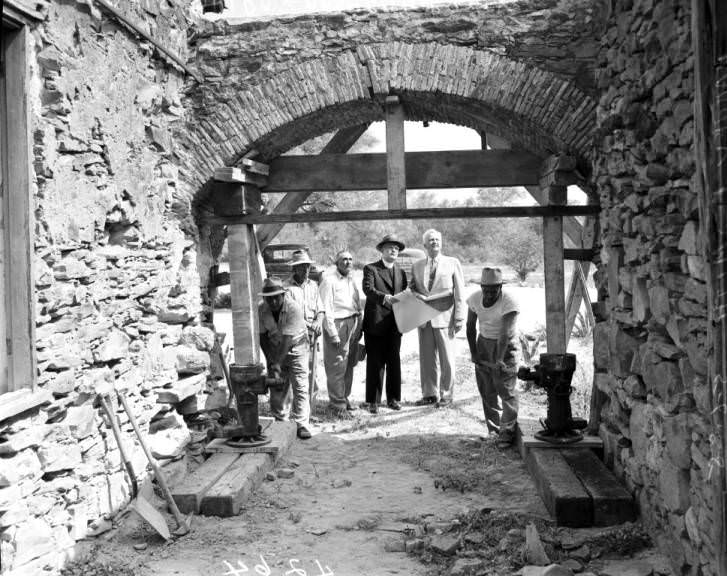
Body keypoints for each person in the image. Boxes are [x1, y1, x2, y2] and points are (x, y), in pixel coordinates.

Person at [409, 228, 466, 407]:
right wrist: (415, 297)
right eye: (431, 240)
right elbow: (412, 289)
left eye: (437, 240)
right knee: (426, 360)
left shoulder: (452, 262)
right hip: (424, 319)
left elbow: (460, 292)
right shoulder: (417, 265)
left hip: (445, 318)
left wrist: (459, 317)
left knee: (447, 359)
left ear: (441, 243)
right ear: (424, 245)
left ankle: (447, 396)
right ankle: (429, 394)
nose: (434, 242)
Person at [466, 267, 520, 447]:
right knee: (487, 389)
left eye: (493, 290)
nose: (489, 294)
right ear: (481, 287)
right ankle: (494, 430)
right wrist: (474, 353)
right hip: (484, 343)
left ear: (500, 287)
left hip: (505, 346)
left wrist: (499, 360)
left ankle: (507, 432)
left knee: (506, 389)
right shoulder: (474, 299)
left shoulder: (509, 302)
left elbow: (505, 334)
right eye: (486, 289)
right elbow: (470, 326)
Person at [258, 277, 312, 440]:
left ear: (283, 295)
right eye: (269, 298)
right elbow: (262, 337)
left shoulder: (293, 308)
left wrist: (277, 364)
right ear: (264, 298)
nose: (273, 301)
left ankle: (301, 424)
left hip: (297, 347)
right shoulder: (261, 310)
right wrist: (271, 361)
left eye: (277, 297)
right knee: (278, 387)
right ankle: (281, 422)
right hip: (275, 347)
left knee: (300, 385)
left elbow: (288, 340)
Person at [362, 234, 408, 414]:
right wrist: (383, 298)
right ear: (381, 250)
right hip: (375, 323)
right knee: (375, 362)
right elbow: (368, 289)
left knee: (394, 362)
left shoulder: (401, 272)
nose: (393, 250)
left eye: (396, 248)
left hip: (395, 324)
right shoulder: (370, 269)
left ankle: (393, 399)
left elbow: (405, 295)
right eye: (389, 247)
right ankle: (373, 401)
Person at [318, 250, 363, 417]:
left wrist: (359, 324)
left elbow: (357, 304)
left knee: (349, 364)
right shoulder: (329, 281)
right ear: (337, 263)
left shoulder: (352, 279)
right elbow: (325, 309)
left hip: (352, 323)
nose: (348, 262)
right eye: (344, 259)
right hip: (337, 324)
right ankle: (337, 406)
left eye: (350, 259)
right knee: (337, 366)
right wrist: (332, 333)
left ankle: (344, 398)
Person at [284, 249, 324, 406]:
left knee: (312, 372)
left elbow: (320, 309)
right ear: (294, 269)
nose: (306, 270)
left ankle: (310, 408)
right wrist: (310, 325)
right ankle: (296, 408)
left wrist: (318, 322)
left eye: (307, 266)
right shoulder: (286, 288)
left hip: (312, 334)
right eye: (301, 267)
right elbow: (291, 314)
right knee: (296, 373)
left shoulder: (313, 285)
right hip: (295, 336)